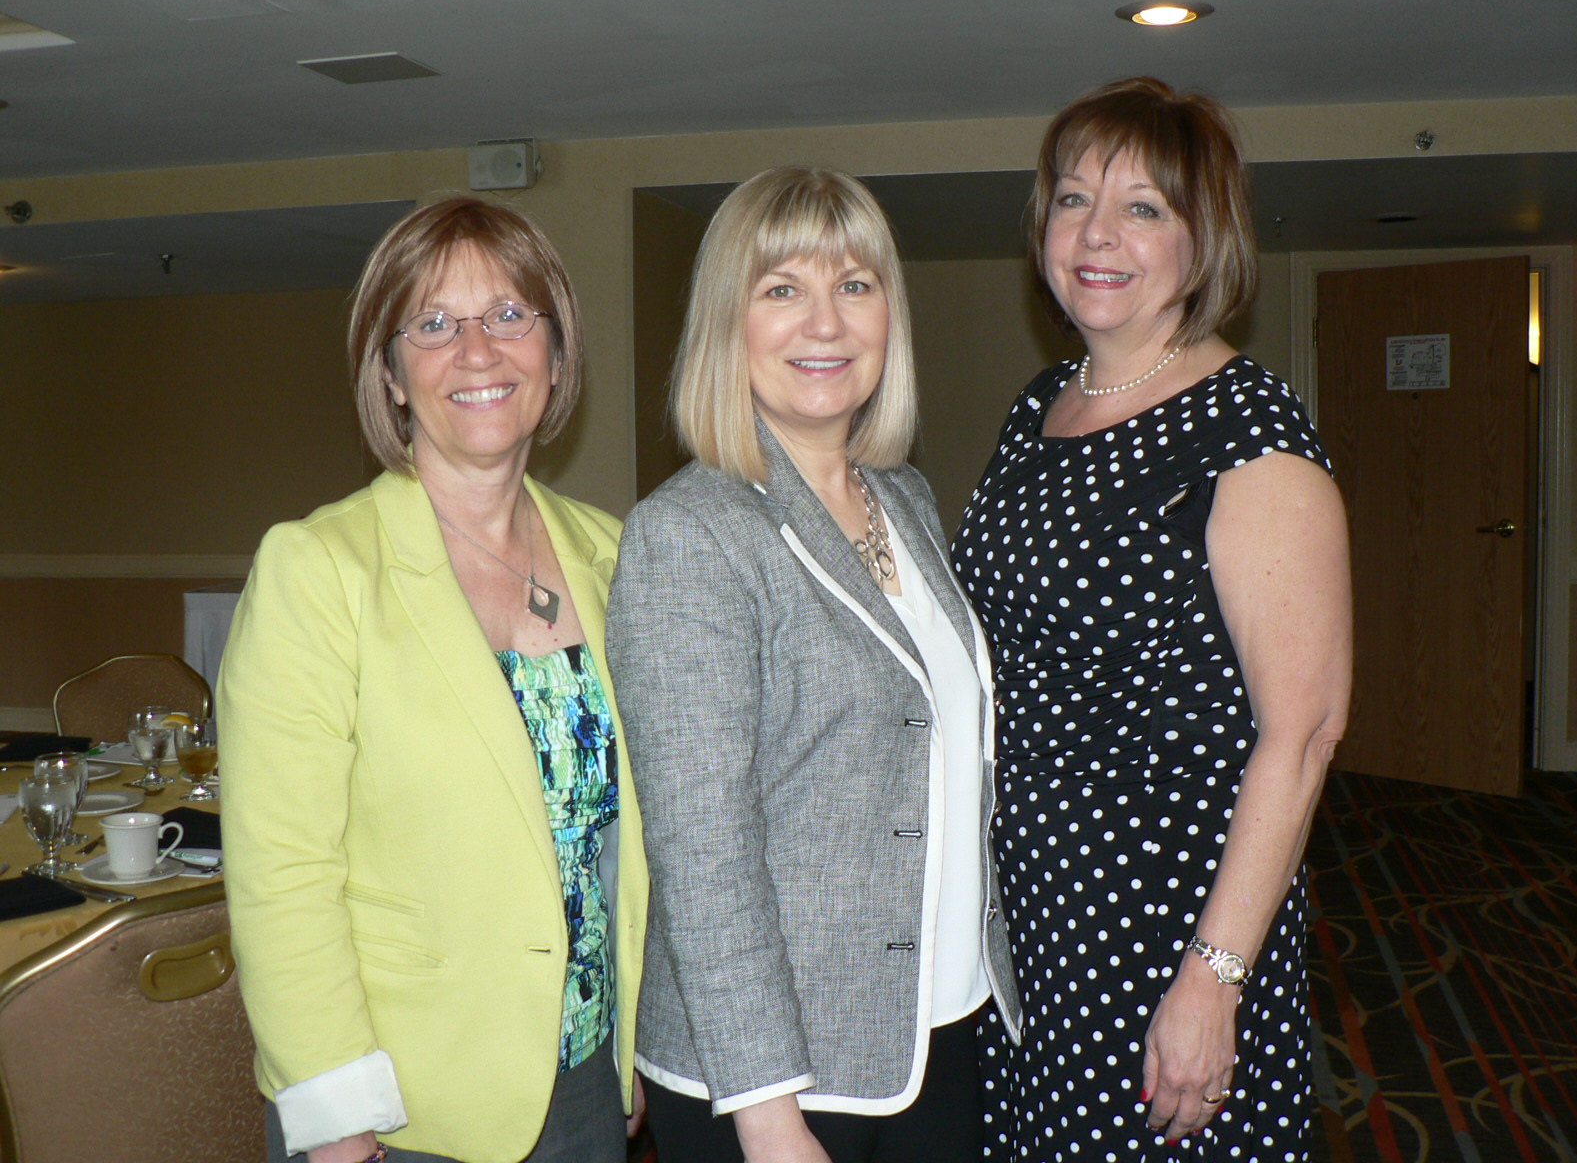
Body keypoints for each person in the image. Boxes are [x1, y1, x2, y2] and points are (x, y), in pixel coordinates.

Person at [953, 77, 1352, 1161]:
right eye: (1073, 199)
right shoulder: (1039, 409)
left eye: (1143, 208)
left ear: (1202, 235)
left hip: (1165, 928)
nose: (1095, 234)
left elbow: (1303, 732)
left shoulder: (1245, 435)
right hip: (1031, 916)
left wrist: (1212, 980)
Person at [218, 196, 648, 1163]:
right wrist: (336, 1120)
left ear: (555, 347)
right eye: (435, 325)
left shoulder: (615, 557)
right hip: (401, 1105)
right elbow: (283, 873)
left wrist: (627, 1050)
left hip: (582, 1078)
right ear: (392, 373)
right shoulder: (319, 568)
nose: (478, 352)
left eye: (507, 315)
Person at [606, 165, 1022, 1163]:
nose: (825, 322)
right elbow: (703, 849)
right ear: (727, 324)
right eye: (782, 289)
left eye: (855, 285)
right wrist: (766, 1110)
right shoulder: (690, 533)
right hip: (782, 1077)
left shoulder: (907, 499)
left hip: (936, 1027)